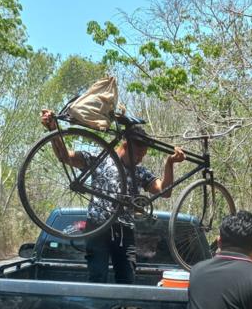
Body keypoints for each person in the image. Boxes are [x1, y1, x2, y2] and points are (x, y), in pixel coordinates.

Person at [40, 108, 186, 284]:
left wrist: (169, 163)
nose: (140, 158)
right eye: (138, 153)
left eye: (144, 154)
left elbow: (165, 190)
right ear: (125, 145)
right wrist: (54, 129)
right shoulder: (99, 158)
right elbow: (65, 156)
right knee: (97, 277)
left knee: (127, 279)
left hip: (125, 230)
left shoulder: (139, 172)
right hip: (97, 227)